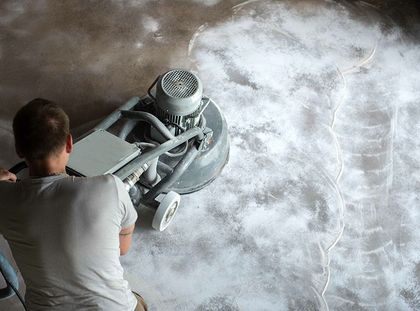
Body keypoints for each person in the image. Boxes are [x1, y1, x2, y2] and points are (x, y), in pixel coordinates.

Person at [0, 98, 147, 311]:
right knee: (135, 299)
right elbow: (122, 249)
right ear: (69, 143)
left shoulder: (4, 200)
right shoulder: (110, 188)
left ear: (19, 150)